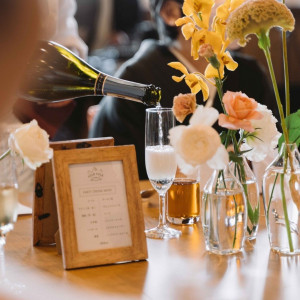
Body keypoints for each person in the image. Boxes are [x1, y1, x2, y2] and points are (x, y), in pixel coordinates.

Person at [89, 0, 275, 180]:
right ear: (171, 12)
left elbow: (274, 155)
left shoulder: (250, 74)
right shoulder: (135, 81)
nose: (238, 4)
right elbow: (126, 180)